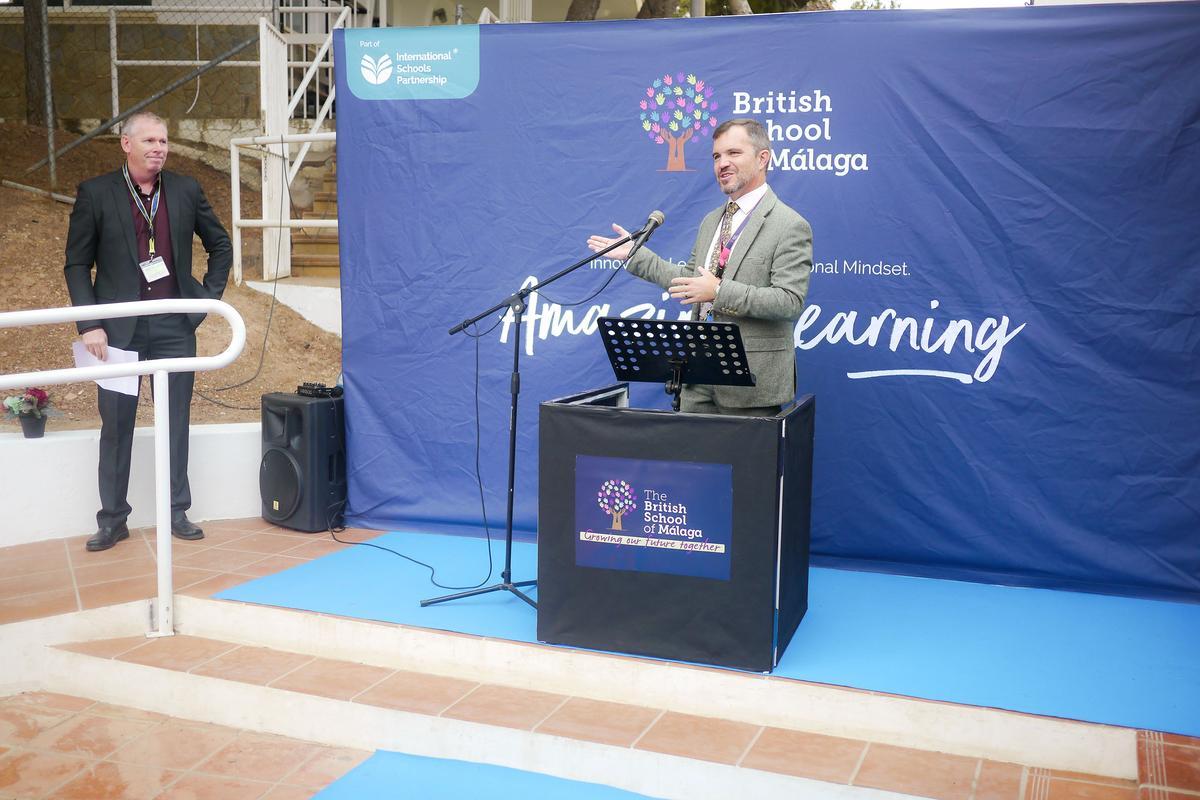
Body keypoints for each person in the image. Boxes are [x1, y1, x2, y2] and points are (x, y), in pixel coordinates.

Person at [64, 111, 232, 552]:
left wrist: (204, 302)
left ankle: (176, 511)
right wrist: (90, 323)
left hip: (175, 328)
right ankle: (113, 519)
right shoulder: (96, 193)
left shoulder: (185, 189)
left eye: (164, 140)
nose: (159, 148)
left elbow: (220, 245)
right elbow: (77, 264)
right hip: (117, 332)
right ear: (127, 144)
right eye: (151, 140)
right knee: (116, 426)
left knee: (175, 421)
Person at [587, 118, 812, 416]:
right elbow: (691, 281)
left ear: (762, 158)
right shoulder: (711, 221)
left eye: (733, 153)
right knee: (691, 462)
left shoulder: (790, 225)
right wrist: (635, 254)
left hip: (750, 385)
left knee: (745, 465)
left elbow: (789, 301)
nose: (722, 163)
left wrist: (718, 291)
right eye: (717, 156)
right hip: (697, 376)